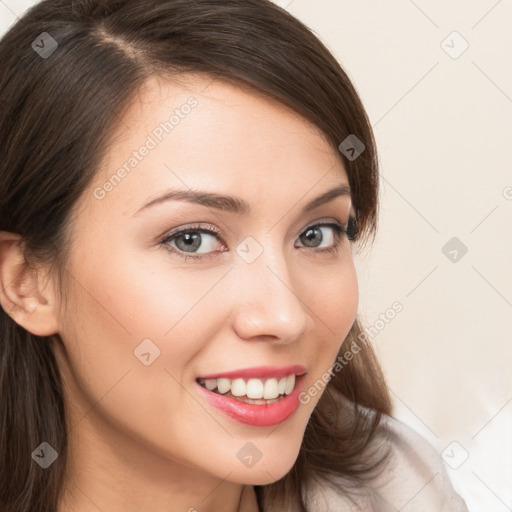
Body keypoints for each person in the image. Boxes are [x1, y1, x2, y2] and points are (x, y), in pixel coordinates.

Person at [0, 1, 469, 511]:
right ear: (28, 282)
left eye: (316, 234)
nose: (285, 317)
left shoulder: (400, 489)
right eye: (192, 240)